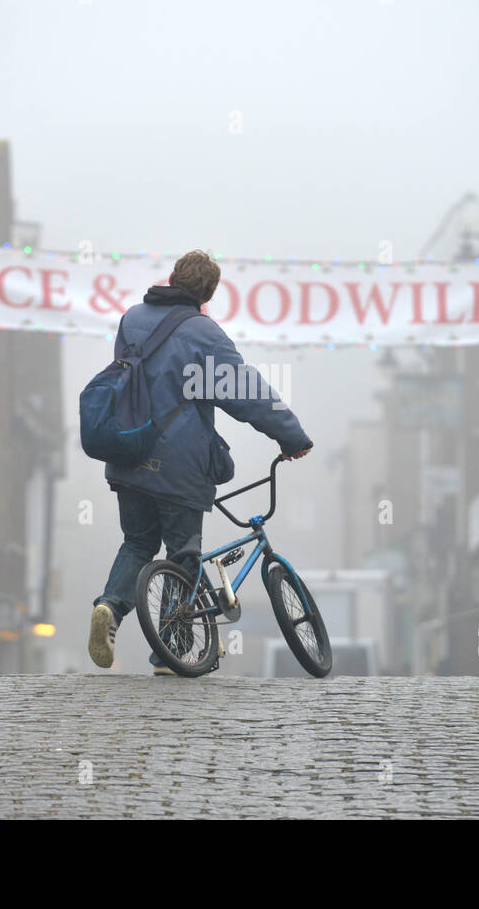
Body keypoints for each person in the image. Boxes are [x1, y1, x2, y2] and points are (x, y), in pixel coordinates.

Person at [88, 250, 313, 673]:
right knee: (183, 551)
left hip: (127, 451)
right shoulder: (205, 335)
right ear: (208, 293)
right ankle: (170, 653)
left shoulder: (132, 318)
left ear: (171, 276)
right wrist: (292, 436)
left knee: (137, 542)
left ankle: (109, 608)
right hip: (179, 464)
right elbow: (246, 393)